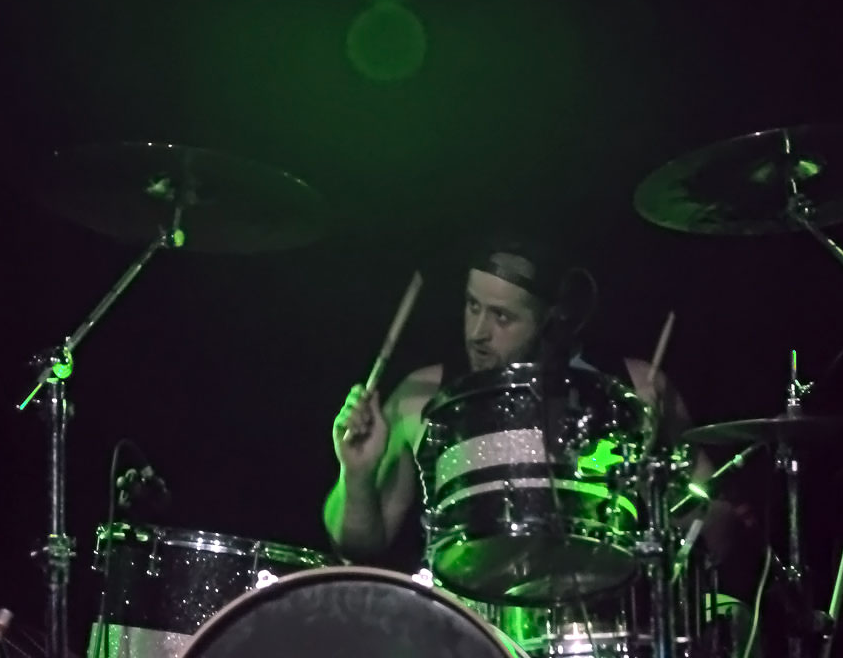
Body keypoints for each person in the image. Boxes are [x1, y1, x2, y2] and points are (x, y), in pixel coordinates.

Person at [322, 233, 764, 657]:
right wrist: (356, 474)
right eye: (472, 306)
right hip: (469, 635)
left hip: (607, 635)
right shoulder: (422, 398)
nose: (478, 332)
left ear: (551, 319)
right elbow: (359, 546)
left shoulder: (631, 389)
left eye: (502, 317)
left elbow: (717, 538)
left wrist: (659, 467)